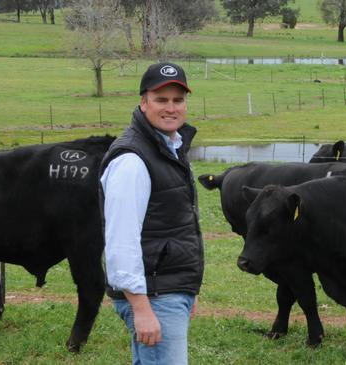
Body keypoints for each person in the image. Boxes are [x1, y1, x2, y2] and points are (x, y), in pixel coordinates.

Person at [99, 62, 204, 365]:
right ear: (143, 102)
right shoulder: (132, 160)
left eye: (178, 100)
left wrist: (185, 288)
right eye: (161, 100)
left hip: (167, 290)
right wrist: (141, 307)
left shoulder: (169, 147)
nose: (171, 108)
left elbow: (174, 227)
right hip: (154, 297)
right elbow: (121, 239)